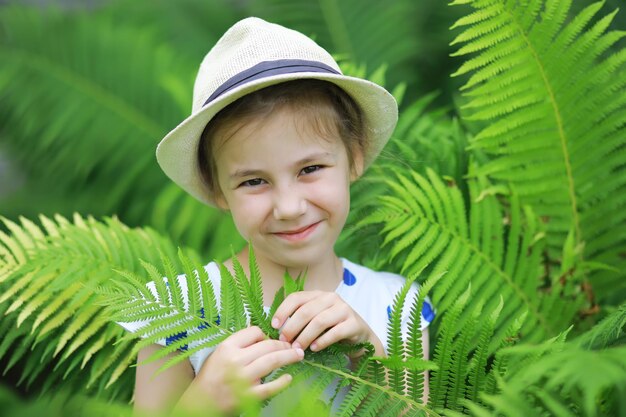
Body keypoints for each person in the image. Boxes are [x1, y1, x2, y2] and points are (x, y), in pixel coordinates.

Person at [118, 17, 435, 416]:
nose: (288, 207)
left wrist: (369, 354)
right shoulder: (172, 311)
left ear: (353, 158)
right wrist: (202, 403)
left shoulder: (395, 305)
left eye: (310, 169)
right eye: (254, 181)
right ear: (217, 189)